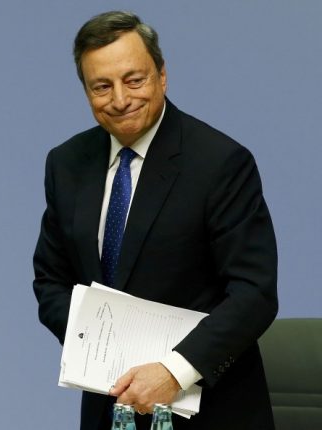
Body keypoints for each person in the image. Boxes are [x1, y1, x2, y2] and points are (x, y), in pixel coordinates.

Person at [33, 11, 277, 430]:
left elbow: (254, 293)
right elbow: (51, 281)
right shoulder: (66, 163)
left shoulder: (220, 163)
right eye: (102, 86)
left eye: (134, 80)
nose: (120, 99)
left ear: (162, 76)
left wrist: (173, 371)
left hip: (208, 409)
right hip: (110, 402)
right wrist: (96, 350)